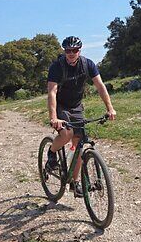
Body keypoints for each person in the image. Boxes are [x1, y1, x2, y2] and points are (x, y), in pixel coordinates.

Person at [45, 36, 116, 197]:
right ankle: (52, 152)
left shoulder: (87, 64)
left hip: (76, 106)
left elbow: (100, 86)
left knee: (79, 144)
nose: (71, 53)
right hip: (61, 105)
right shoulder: (57, 67)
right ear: (64, 51)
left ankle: (75, 183)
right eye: (68, 51)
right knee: (67, 133)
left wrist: (110, 108)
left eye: (74, 50)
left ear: (79, 51)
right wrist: (54, 117)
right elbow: (52, 92)